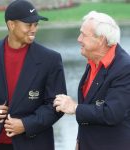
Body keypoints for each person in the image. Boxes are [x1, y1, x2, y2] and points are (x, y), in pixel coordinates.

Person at [0, 1, 66, 150]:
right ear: (11, 25)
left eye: (36, 24)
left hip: (34, 144)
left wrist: (26, 125)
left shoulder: (51, 59)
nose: (34, 29)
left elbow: (56, 106)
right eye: (28, 24)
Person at [54, 11, 130, 150]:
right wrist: (79, 142)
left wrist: (74, 108)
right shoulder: (93, 61)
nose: (78, 39)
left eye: (83, 34)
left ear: (100, 39)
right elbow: (89, 106)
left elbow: (112, 113)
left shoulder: (125, 67)